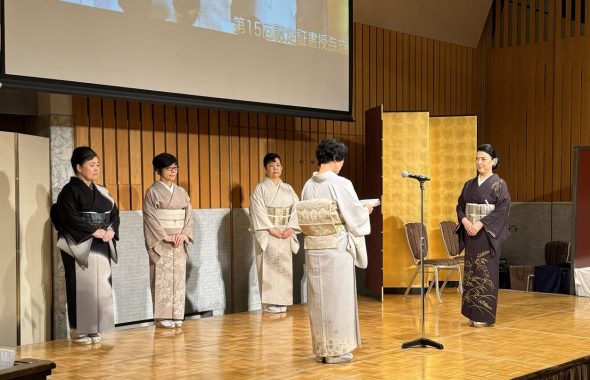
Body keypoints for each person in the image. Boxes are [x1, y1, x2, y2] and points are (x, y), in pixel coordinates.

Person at [298, 139, 372, 364]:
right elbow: (354, 217)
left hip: (314, 249)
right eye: (342, 161)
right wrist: (365, 210)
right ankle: (337, 350)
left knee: (319, 300)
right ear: (336, 159)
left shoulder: (308, 185)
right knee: (338, 299)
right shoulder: (340, 183)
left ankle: (322, 349)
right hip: (335, 248)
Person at [51, 147, 119, 345]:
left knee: (99, 284)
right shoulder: (69, 191)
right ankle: (79, 330)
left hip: (101, 242)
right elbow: (67, 217)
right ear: (79, 168)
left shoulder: (103, 191)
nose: (96, 169)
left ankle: (94, 327)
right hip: (80, 244)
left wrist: (111, 229)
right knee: (81, 285)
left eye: (98, 165)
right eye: (92, 165)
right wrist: (93, 230)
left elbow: (114, 214)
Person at [456, 144, 511, 327]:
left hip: (487, 235)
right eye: (477, 159)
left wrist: (480, 224)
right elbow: (460, 206)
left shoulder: (499, 185)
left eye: (483, 159)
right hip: (471, 233)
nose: (479, 162)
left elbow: (502, 209)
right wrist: (465, 221)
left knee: (485, 272)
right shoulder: (469, 185)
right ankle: (473, 313)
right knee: (472, 272)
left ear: (493, 162)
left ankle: (485, 315)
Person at [143, 153, 193, 328]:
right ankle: (163, 315)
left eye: (175, 168)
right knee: (162, 277)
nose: (173, 171)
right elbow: (150, 217)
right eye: (168, 168)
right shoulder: (152, 192)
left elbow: (189, 215)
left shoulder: (181, 192)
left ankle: (177, 314)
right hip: (162, 240)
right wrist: (164, 236)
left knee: (178, 278)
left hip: (179, 239)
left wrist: (185, 234)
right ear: (158, 170)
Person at [249, 153, 300, 313]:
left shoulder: (288, 188)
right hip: (269, 233)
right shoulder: (260, 189)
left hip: (285, 232)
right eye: (271, 165)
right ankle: (269, 302)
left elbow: (297, 209)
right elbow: (257, 212)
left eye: (278, 165)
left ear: (282, 167)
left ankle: (282, 300)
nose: (275, 168)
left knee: (283, 267)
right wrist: (271, 228)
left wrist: (291, 227)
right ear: (265, 169)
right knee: (269, 266)